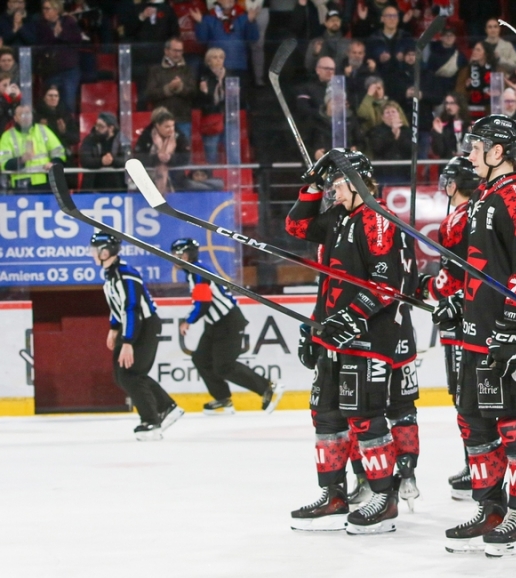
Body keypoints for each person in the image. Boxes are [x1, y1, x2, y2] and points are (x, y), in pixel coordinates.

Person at [441, 115, 516, 557]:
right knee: (474, 422)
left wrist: (511, 328)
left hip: (507, 339)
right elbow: (474, 268)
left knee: (514, 424)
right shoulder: (484, 199)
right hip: (473, 334)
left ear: (498, 151)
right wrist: (455, 299)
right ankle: (490, 507)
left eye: (476, 145)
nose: (469, 154)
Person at [286, 150, 408, 534]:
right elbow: (295, 227)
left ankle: (383, 498)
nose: (331, 192)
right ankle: (333, 494)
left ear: (357, 182)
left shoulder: (379, 221)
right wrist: (310, 186)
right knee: (327, 418)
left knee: (366, 417)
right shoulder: (339, 218)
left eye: (335, 185)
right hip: (332, 338)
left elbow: (388, 286)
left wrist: (352, 317)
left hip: (368, 339)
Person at [420, 155, 480, 500]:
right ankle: (478, 463)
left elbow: (454, 273)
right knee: (471, 394)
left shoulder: (458, 218)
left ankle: (478, 466)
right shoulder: (479, 211)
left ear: (454, 184)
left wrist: (427, 287)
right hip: (473, 315)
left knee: (463, 394)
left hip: (460, 318)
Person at [170, 238, 283, 415]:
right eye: (174, 254)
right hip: (214, 324)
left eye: (179, 254)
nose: (175, 258)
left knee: (224, 366)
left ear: (189, 254)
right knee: (200, 358)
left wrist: (188, 321)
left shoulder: (198, 272)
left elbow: (203, 303)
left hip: (228, 322)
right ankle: (222, 398)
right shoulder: (192, 271)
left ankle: (267, 388)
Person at [90, 233, 184, 441]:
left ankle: (152, 420)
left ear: (105, 252)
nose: (91, 252)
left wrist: (128, 342)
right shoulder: (112, 274)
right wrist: (114, 328)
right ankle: (166, 407)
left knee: (131, 374)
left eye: (94, 248)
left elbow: (132, 308)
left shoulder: (125, 273)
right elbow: (118, 306)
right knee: (123, 375)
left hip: (143, 326)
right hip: (132, 326)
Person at [0, 103, 66, 193]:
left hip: (44, 182)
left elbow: (59, 151)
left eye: (28, 113)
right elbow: (4, 164)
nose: (25, 117)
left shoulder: (43, 130)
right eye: (21, 114)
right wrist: (22, 160)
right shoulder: (7, 136)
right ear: (15, 118)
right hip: (20, 185)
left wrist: (54, 163)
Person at [144, 38, 197, 144]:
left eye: (180, 51)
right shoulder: (155, 70)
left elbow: (194, 94)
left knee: (184, 155)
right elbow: (150, 94)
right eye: (175, 50)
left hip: (183, 118)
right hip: (162, 120)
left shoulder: (188, 70)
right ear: (166, 51)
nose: (178, 54)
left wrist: (180, 88)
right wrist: (168, 88)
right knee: (162, 154)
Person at [35, 0, 83, 114]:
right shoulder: (41, 25)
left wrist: (61, 34)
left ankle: (68, 128)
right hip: (51, 70)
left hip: (69, 70)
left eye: (48, 9)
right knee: (49, 102)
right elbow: (40, 44)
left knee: (68, 101)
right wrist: (55, 36)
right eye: (43, 9)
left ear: (56, 10)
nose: (44, 11)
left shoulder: (68, 21)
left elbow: (78, 40)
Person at [133, 107, 191, 193]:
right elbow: (138, 158)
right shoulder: (147, 135)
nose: (171, 129)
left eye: (172, 126)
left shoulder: (179, 136)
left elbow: (186, 157)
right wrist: (156, 158)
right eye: (167, 127)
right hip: (148, 180)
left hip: (177, 180)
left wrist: (170, 158)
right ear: (157, 125)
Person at [79, 112, 127, 192]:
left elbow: (128, 159)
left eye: (101, 126)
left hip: (118, 188)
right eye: (96, 125)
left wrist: (113, 160)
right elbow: (84, 160)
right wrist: (101, 161)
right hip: (92, 188)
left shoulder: (122, 141)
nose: (97, 128)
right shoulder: (90, 139)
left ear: (111, 128)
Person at [366, 100, 411, 184]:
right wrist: (392, 133)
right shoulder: (376, 131)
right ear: (382, 117)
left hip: (404, 173)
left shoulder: (407, 131)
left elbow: (412, 149)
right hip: (383, 175)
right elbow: (377, 148)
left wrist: (398, 135)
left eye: (393, 112)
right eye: (387, 112)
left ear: (399, 115)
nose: (391, 115)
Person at [197, 47, 227, 164]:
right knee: (212, 155)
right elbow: (200, 103)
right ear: (208, 61)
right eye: (215, 57)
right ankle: (213, 178)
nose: (218, 60)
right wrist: (204, 93)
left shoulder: (229, 76)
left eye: (221, 57)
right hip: (211, 119)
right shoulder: (203, 78)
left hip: (228, 117)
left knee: (232, 151)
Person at [35, 85, 79, 155]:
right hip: (43, 152)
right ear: (44, 98)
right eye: (50, 96)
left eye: (56, 96)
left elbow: (75, 138)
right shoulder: (37, 115)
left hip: (62, 152)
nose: (53, 98)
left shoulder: (65, 114)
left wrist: (64, 132)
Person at [430, 92, 471, 160]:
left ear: (460, 105)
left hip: (466, 164)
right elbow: (439, 151)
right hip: (448, 164)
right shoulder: (441, 126)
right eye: (447, 103)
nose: (448, 107)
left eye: (452, 103)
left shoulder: (470, 126)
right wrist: (439, 134)